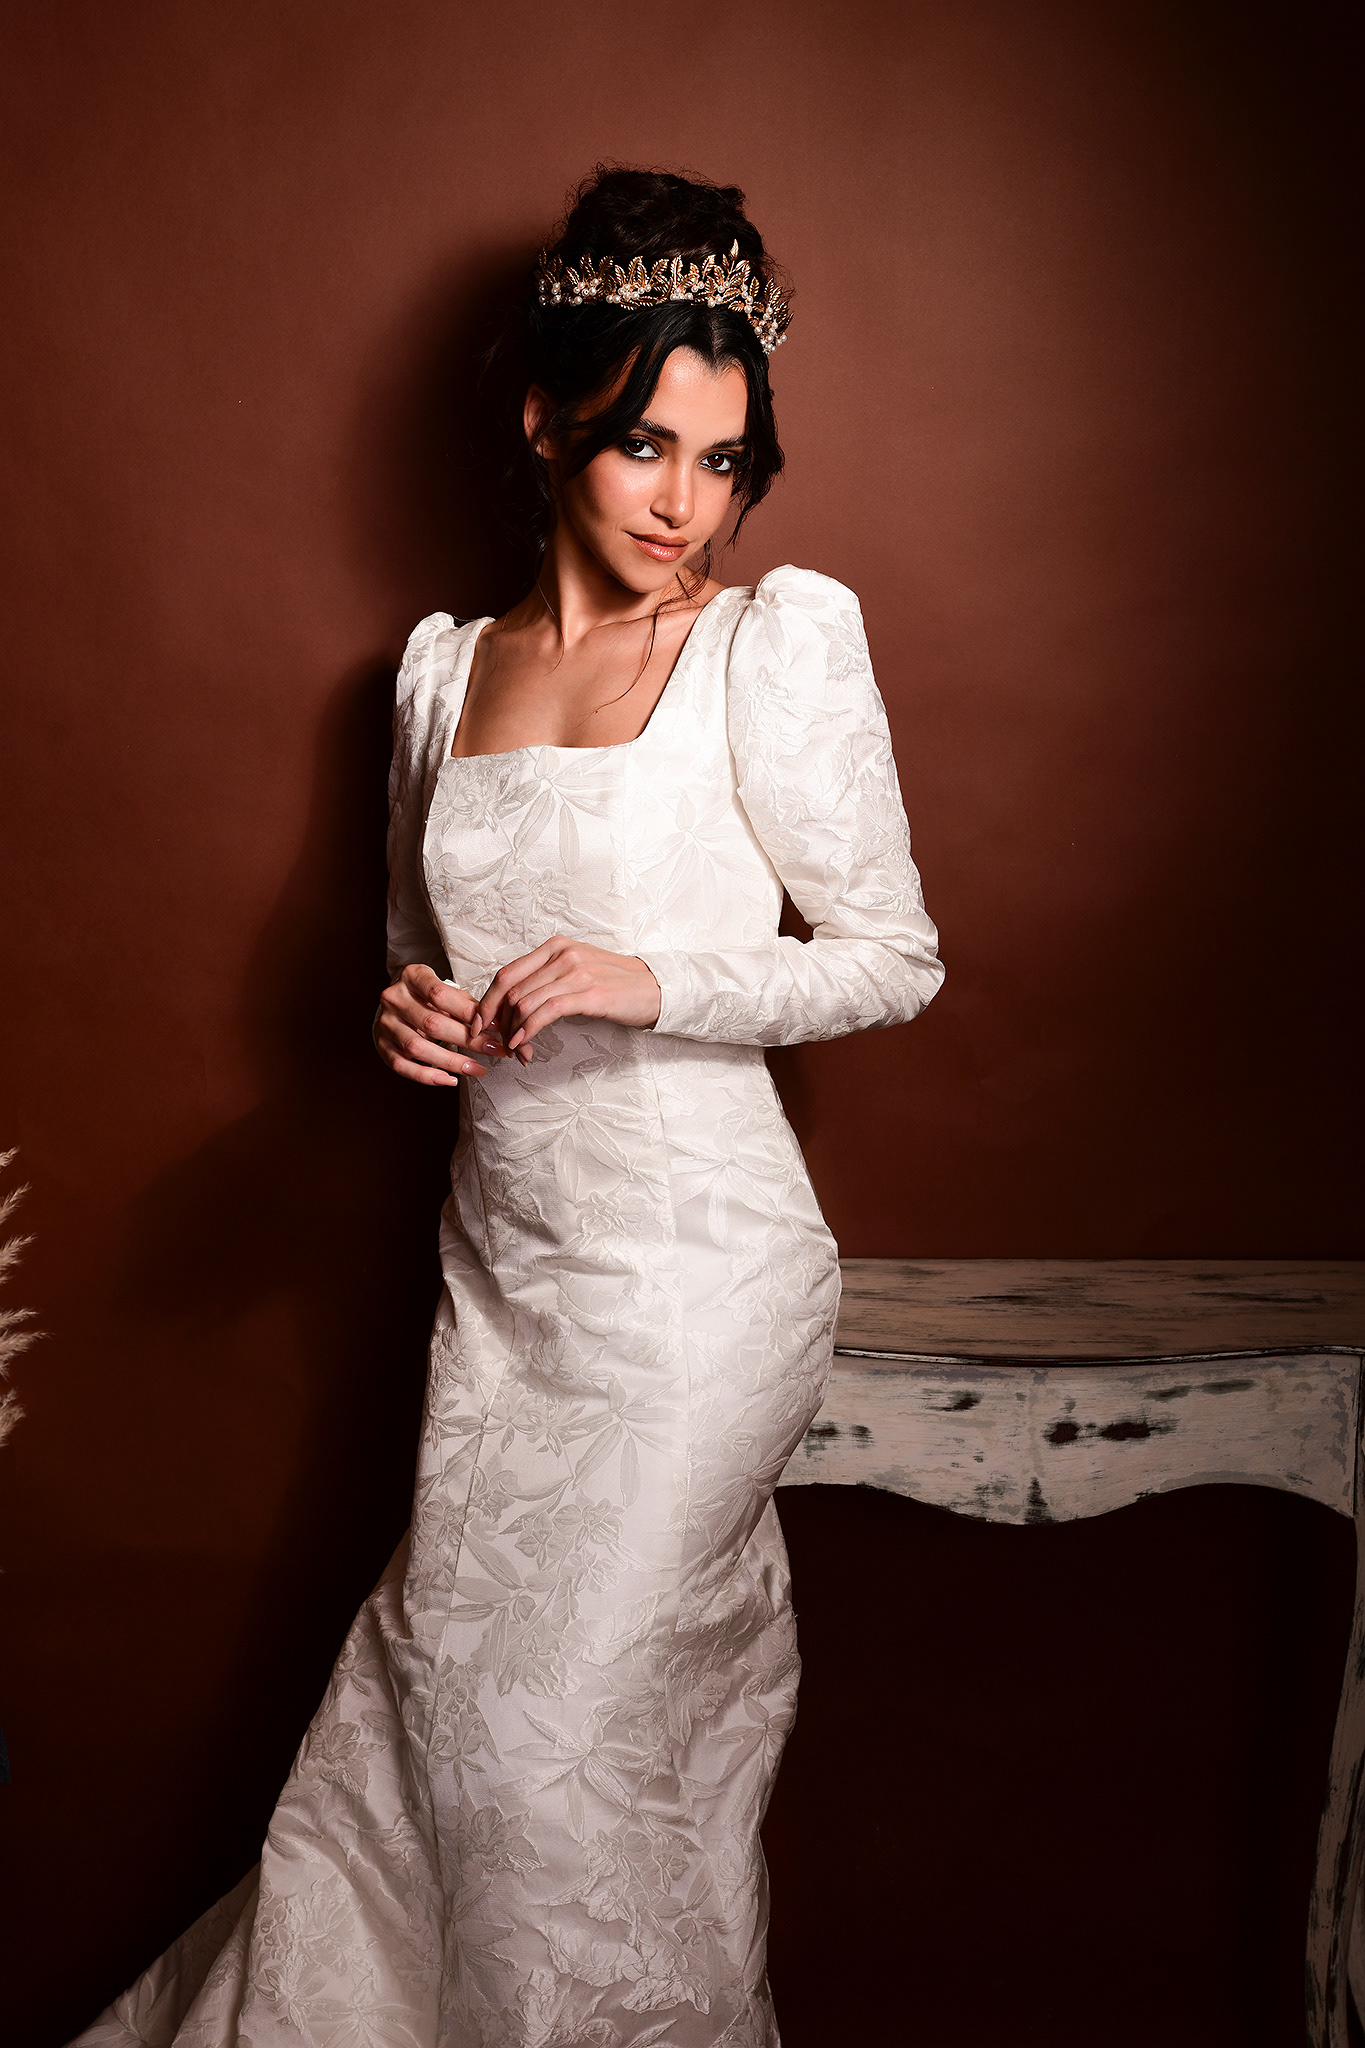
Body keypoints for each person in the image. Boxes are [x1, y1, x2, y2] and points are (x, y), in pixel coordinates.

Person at [74, 166, 943, 2048]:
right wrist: (412, 1015)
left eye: (723, 460)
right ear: (547, 422)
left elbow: (892, 957)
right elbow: (425, 949)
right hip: (507, 1283)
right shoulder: (435, 677)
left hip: (701, 1290)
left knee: (563, 1749)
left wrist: (656, 978)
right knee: (457, 1728)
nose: (684, 502)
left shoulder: (766, 644)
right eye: (644, 444)